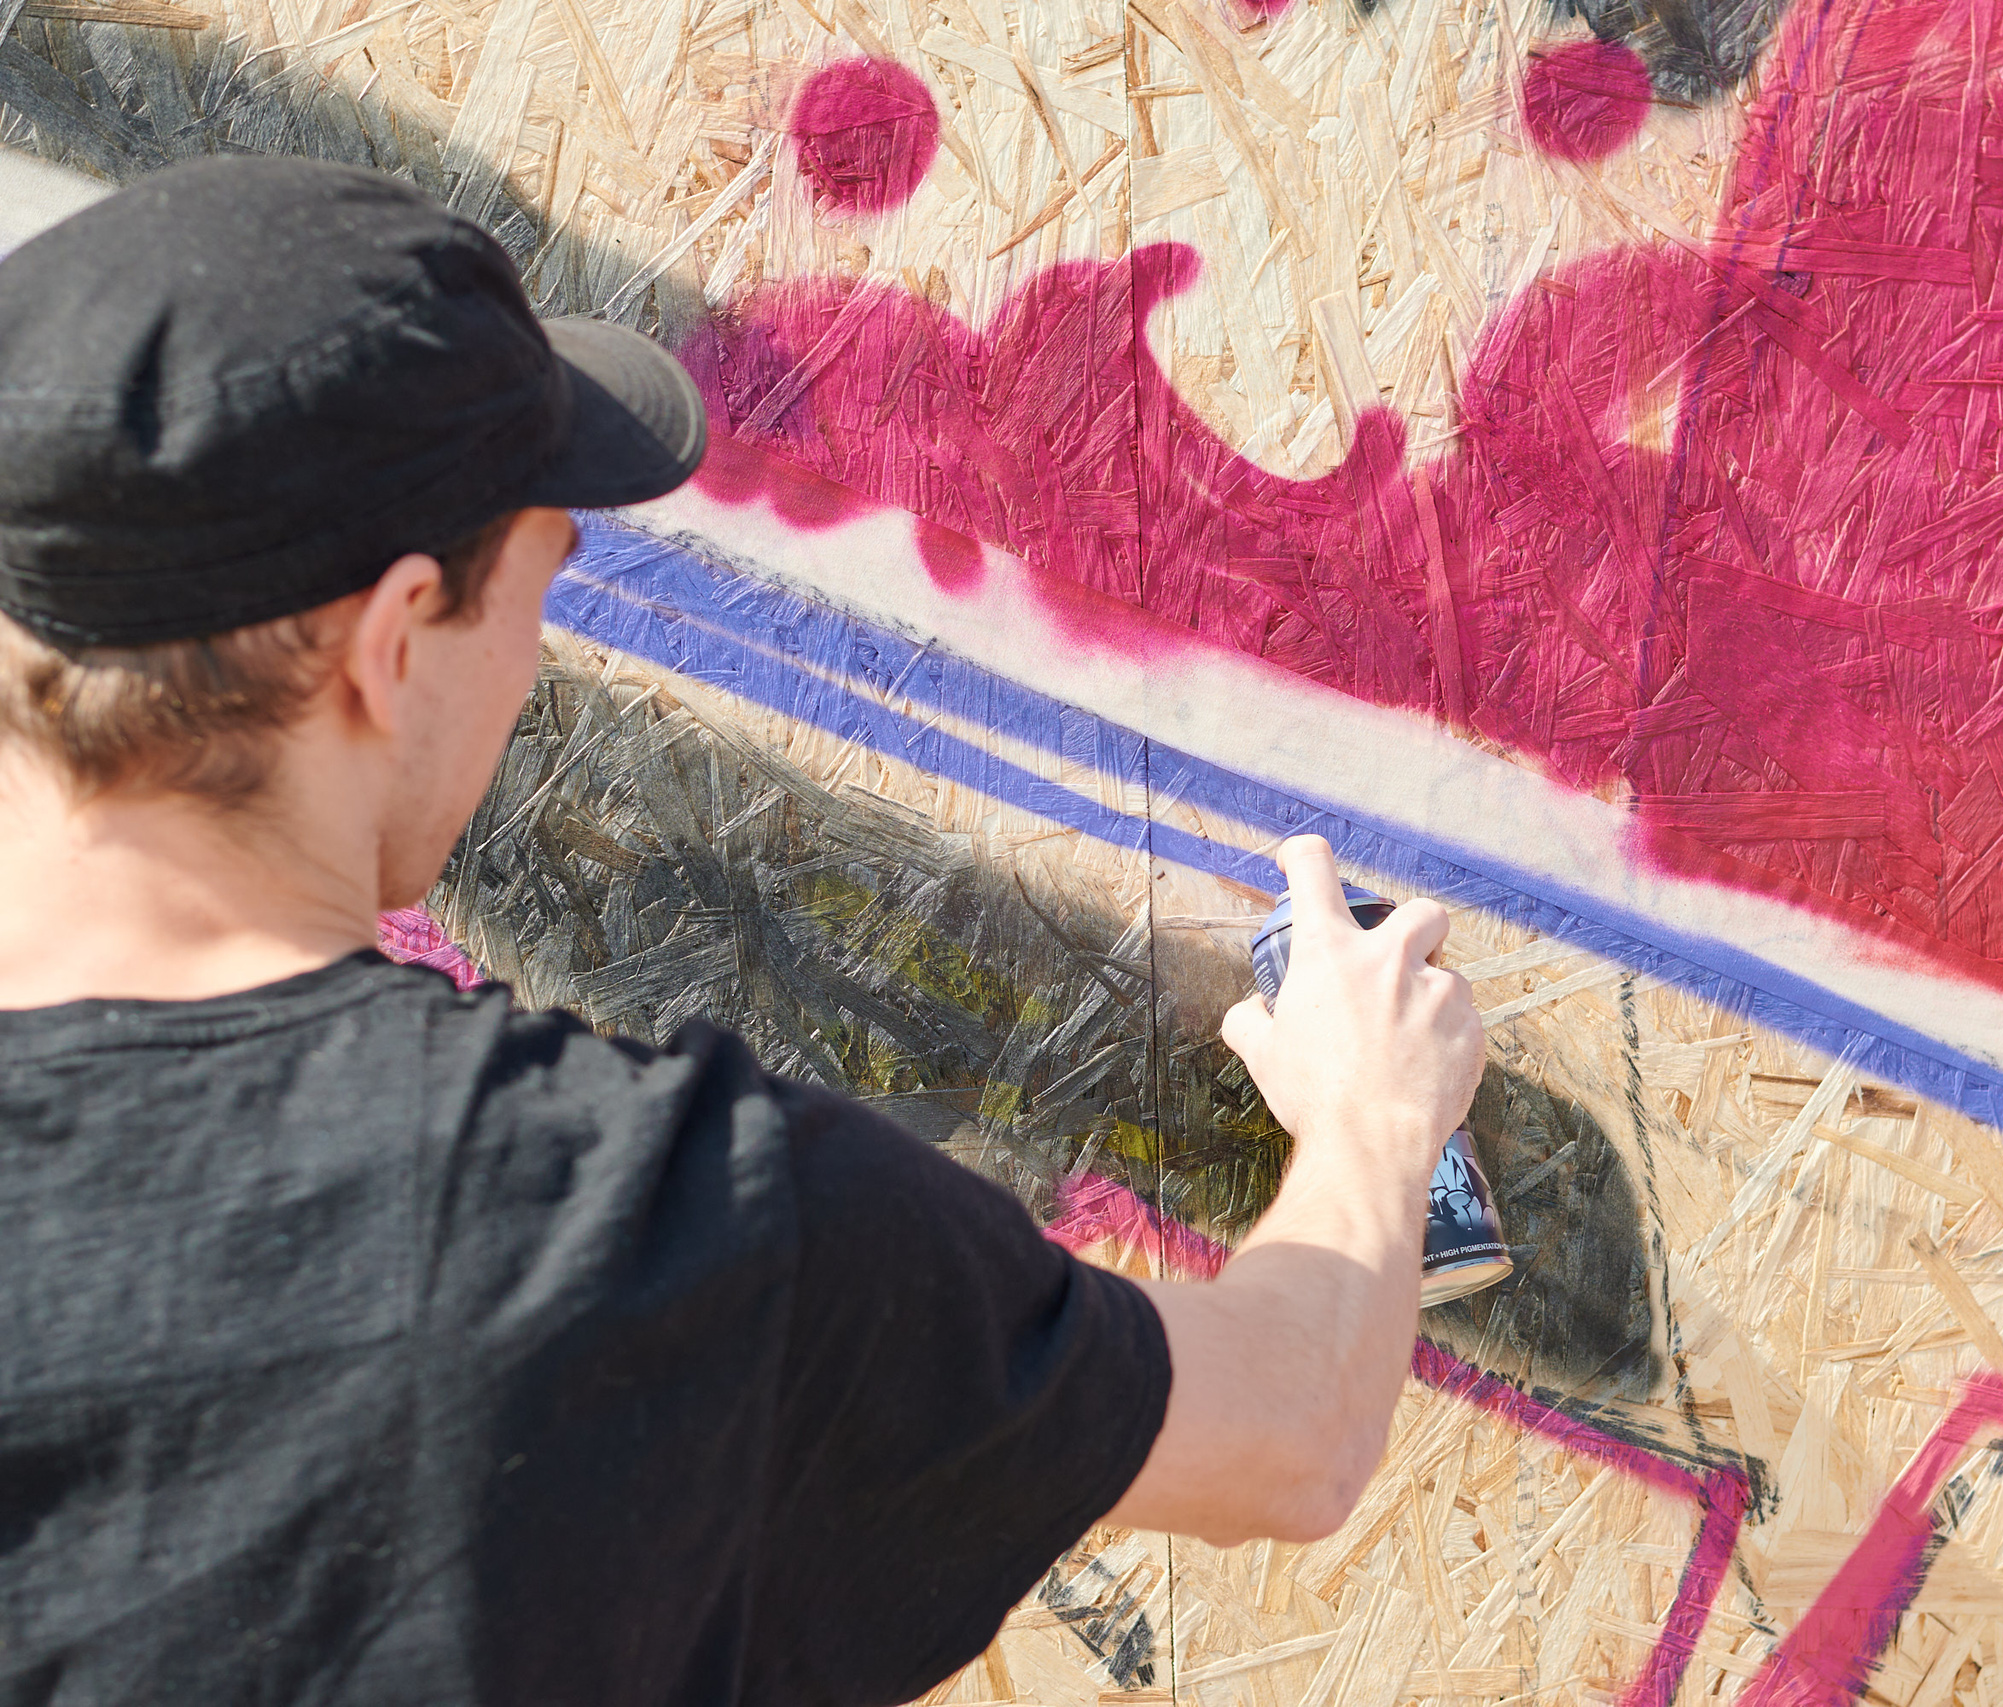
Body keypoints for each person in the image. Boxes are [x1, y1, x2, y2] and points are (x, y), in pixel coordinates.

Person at [0, 156, 1485, 1704]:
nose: (534, 655)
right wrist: (1375, 1124)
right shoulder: (637, 1227)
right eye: (538, 581)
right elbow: (1289, 1432)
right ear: (388, 646)